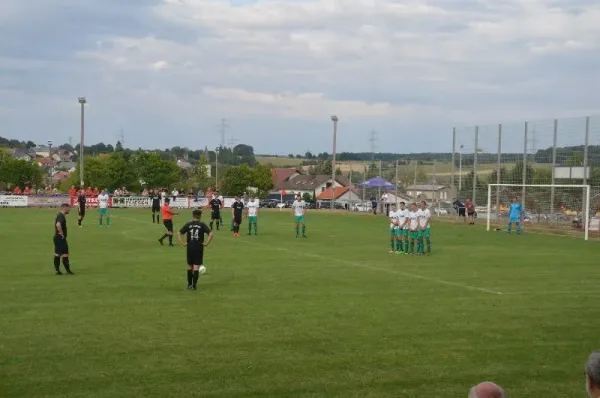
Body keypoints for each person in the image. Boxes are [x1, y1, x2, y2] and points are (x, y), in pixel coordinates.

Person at [178, 209, 214, 291]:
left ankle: (189, 285)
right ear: (200, 216)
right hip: (198, 247)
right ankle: (194, 286)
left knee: (189, 266)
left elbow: (179, 233)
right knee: (196, 266)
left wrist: (183, 243)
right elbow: (211, 234)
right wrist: (206, 243)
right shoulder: (202, 224)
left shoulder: (188, 224)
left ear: (193, 216)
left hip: (190, 247)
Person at [53, 203, 74, 275]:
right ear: (65, 208)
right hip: (60, 238)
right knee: (65, 254)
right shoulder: (61, 216)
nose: (69, 210)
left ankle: (57, 271)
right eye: (69, 208)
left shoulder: (59, 215)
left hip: (57, 238)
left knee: (58, 254)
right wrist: (61, 233)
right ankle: (68, 271)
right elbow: (58, 224)